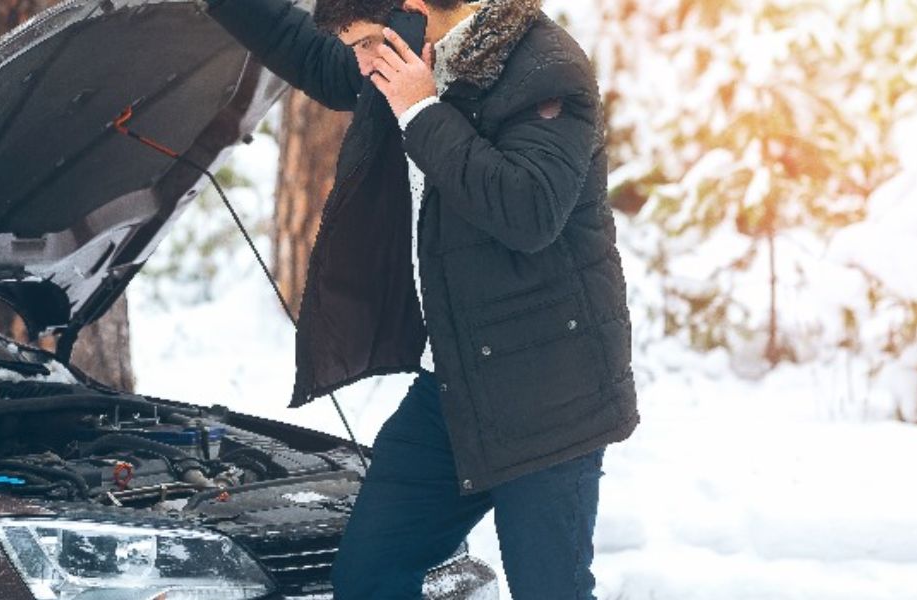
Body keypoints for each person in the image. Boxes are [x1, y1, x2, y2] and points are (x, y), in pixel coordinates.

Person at [204, 0, 639, 597]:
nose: (359, 65)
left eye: (364, 47)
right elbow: (315, 55)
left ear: (408, 10)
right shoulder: (404, 48)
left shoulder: (546, 65)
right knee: (369, 574)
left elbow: (528, 211)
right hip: (451, 386)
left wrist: (421, 108)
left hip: (548, 394)